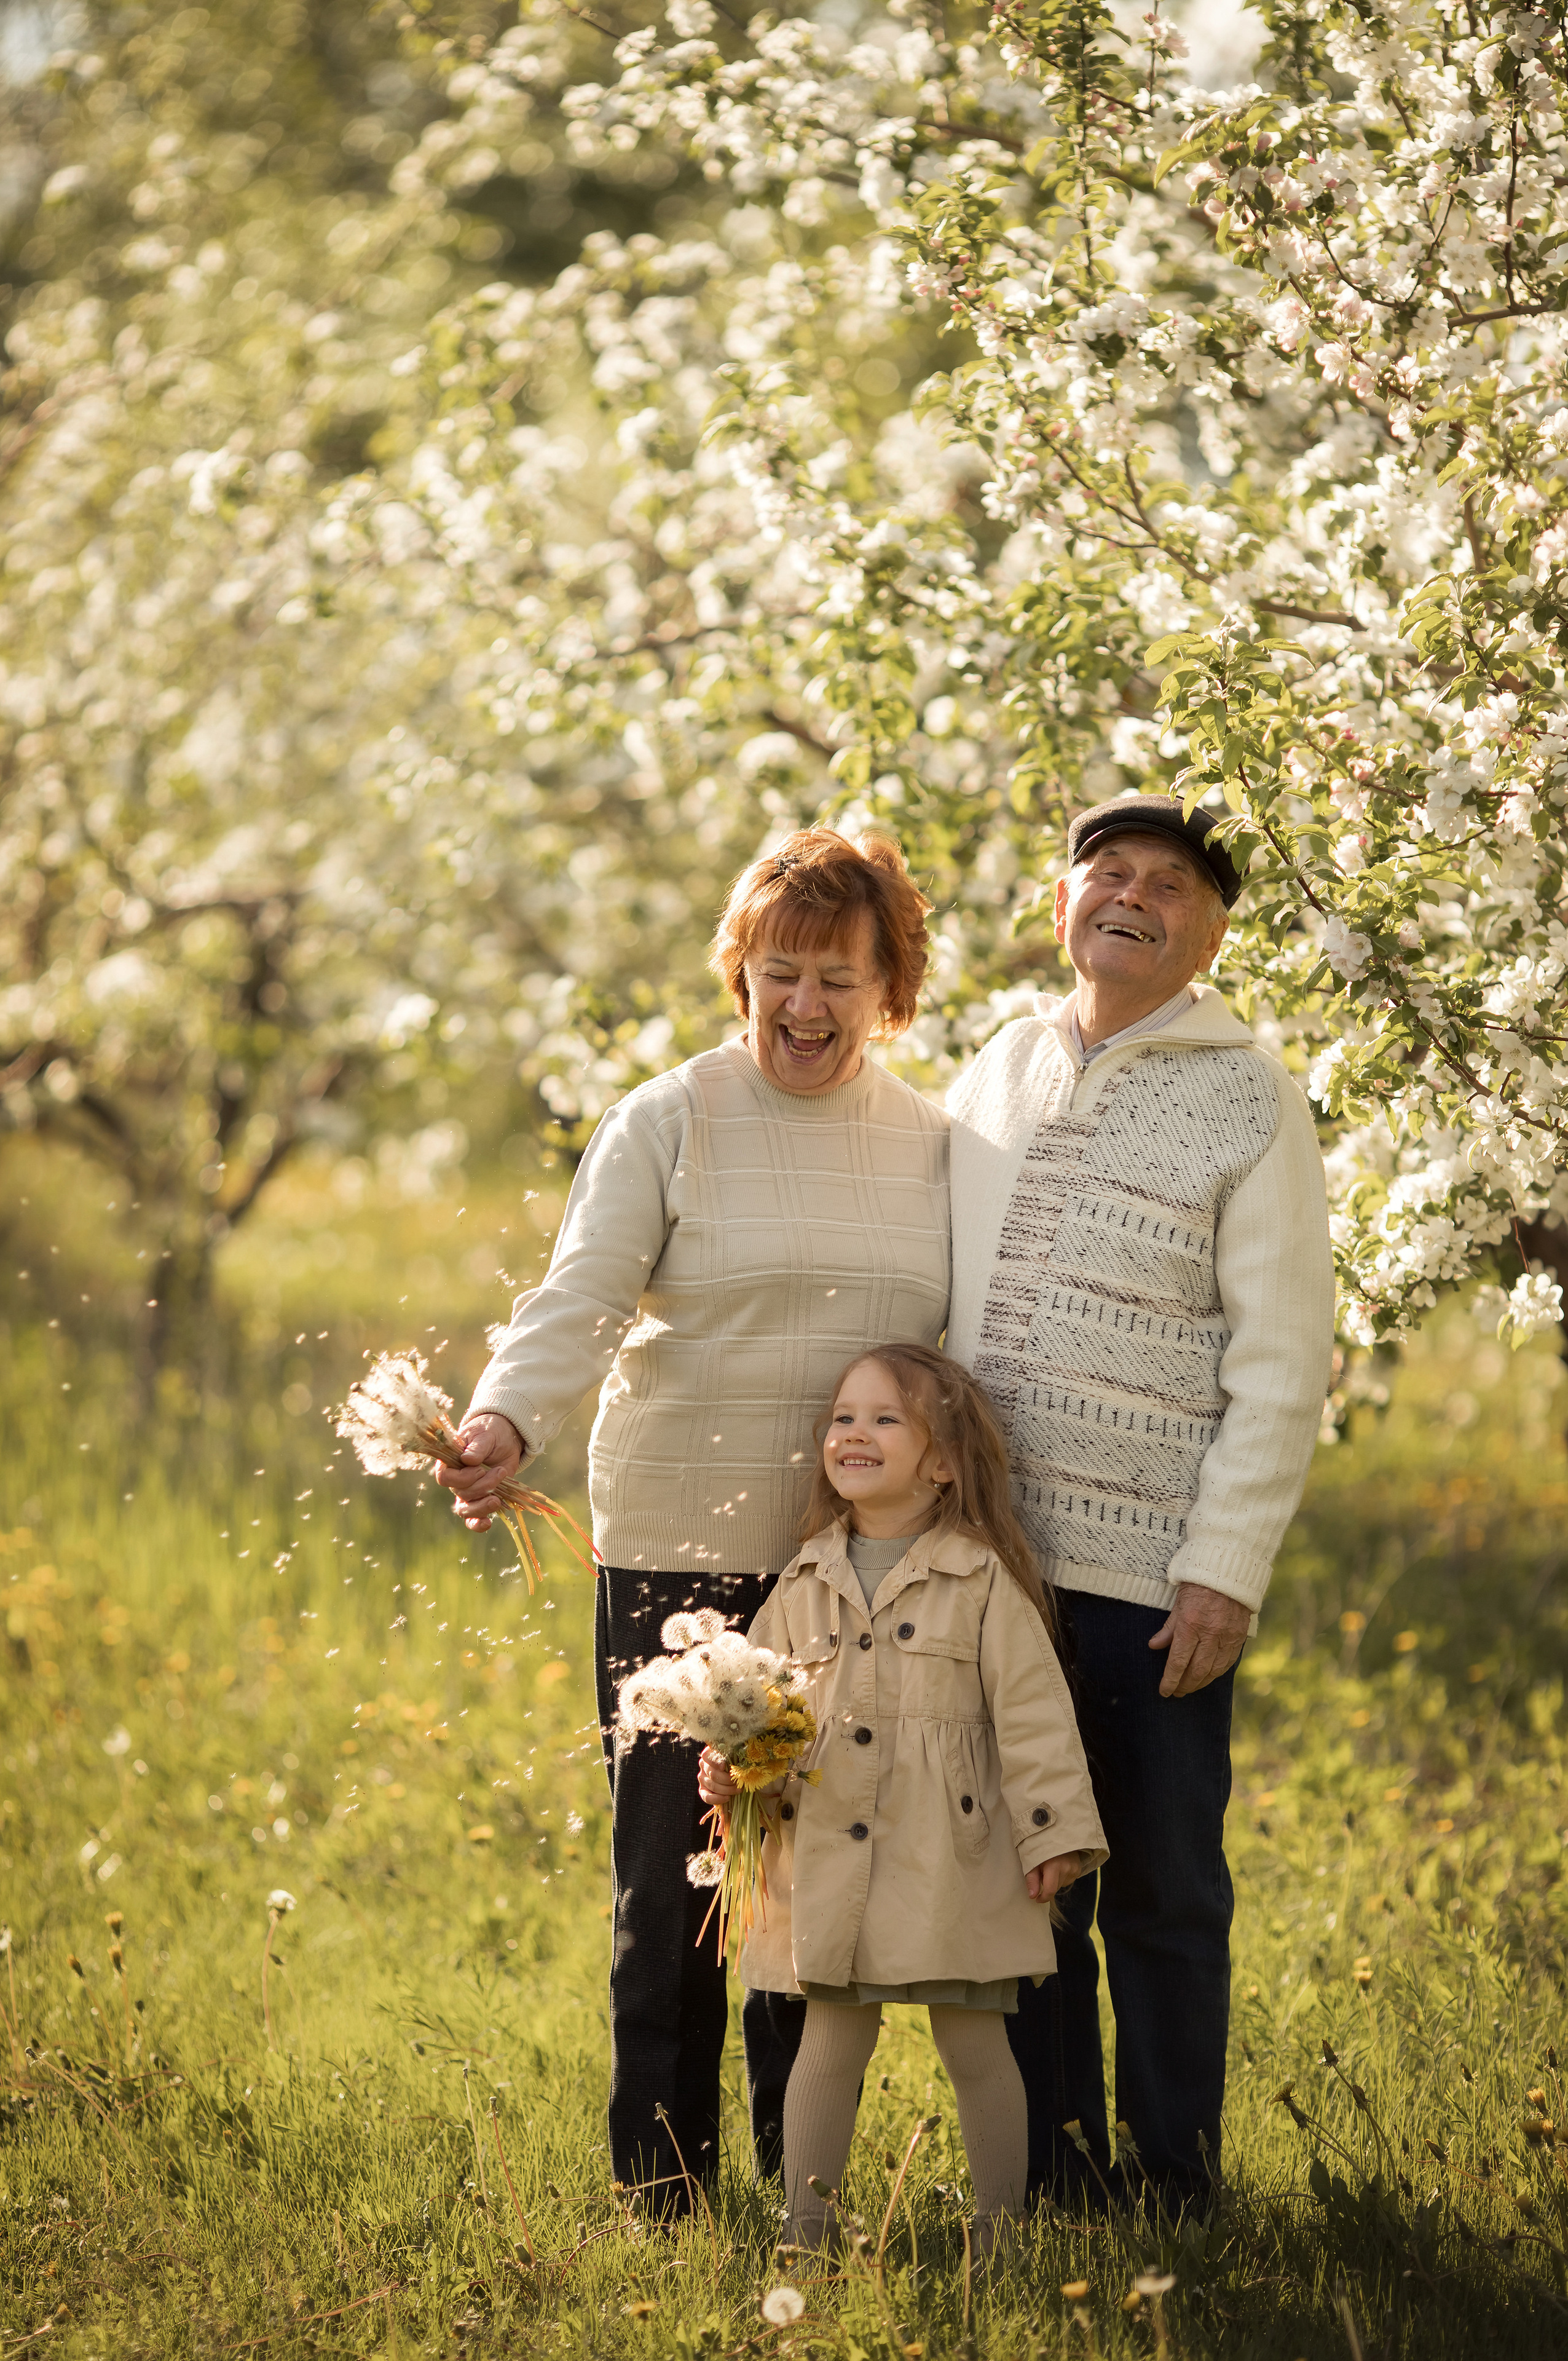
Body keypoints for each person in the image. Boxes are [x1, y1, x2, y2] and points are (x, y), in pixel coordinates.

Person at [437, 828, 951, 2218]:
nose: (805, 1006)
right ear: (739, 971)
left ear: (888, 985)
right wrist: (503, 1421)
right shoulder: (668, 1118)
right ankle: (660, 2189)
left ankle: (801, 2178)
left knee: (797, 1889)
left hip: (838, 1563)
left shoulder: (928, 1142)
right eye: (780, 970)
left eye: (839, 979)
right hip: (671, 1549)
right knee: (672, 1882)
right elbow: (579, 1300)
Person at [945, 792, 1336, 2216]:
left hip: (1154, 1576)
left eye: (1166, 884)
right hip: (987, 1569)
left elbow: (1283, 1356)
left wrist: (1222, 1567)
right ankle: (1055, 2177)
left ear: (1210, 928)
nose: (1128, 896)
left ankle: (1175, 2181)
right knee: (1030, 1886)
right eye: (1102, 874)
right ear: (1059, 908)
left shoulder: (1251, 1095)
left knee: (1165, 1890)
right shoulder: (996, 1064)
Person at [701, 1343, 1107, 2256]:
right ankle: (805, 2232)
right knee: (830, 2044)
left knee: (976, 2043)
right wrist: (733, 1772)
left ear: (943, 1461)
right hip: (836, 1857)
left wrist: (1052, 1833)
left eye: (886, 1419)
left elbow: (1035, 1716)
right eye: (843, 1417)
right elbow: (755, 1706)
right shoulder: (804, 1581)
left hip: (953, 1852)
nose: (854, 1433)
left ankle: (1000, 2236)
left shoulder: (980, 1578)